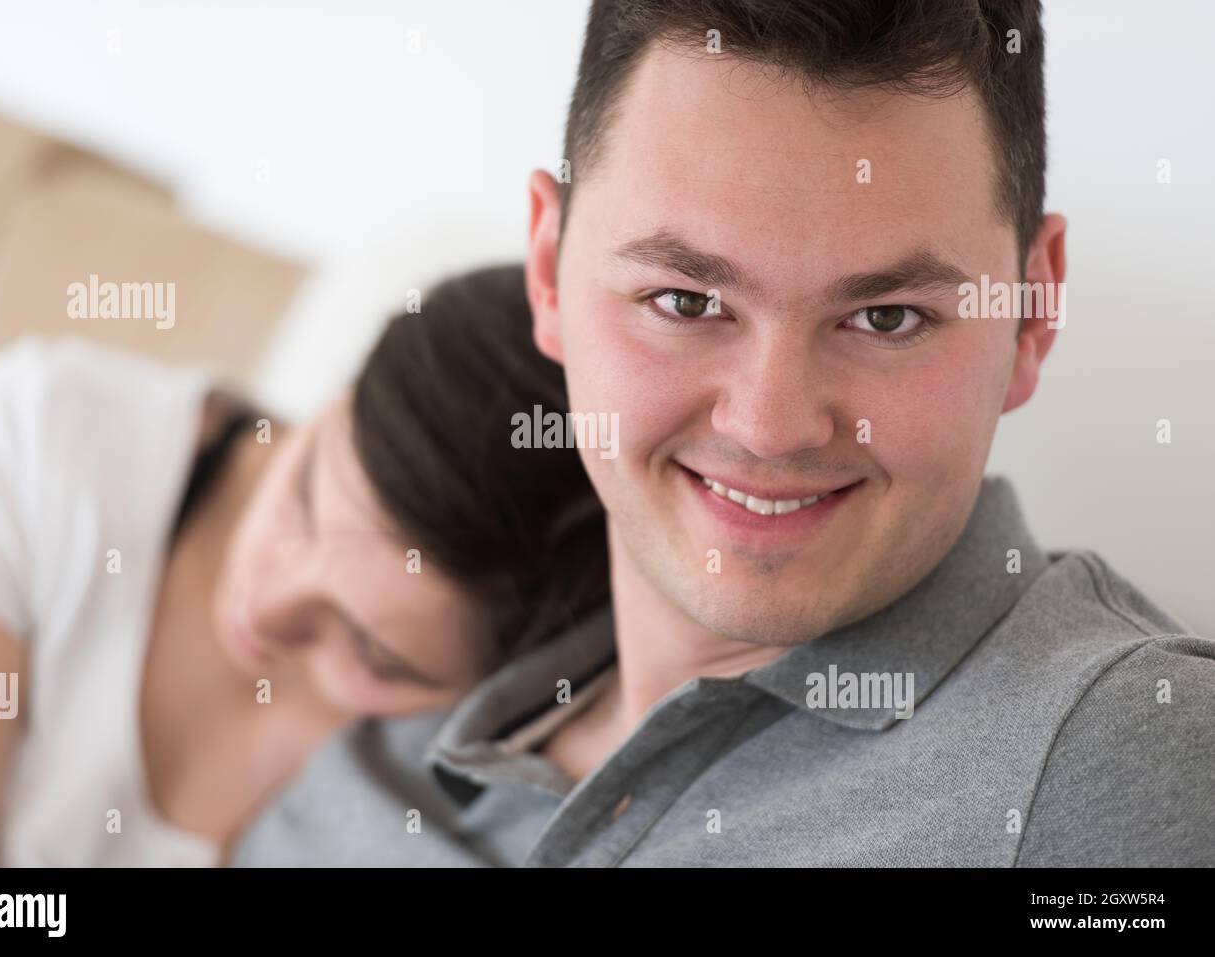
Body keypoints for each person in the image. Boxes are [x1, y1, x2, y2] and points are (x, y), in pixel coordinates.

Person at [234, 0, 1215, 867]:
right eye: (683, 299)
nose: (769, 425)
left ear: (1032, 311)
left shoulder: (1134, 760)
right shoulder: (376, 755)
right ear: (547, 271)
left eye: (887, 318)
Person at [0, 262, 607, 865]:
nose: (265, 607)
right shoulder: (41, 442)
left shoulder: (473, 791)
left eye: (372, 650)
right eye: (303, 495)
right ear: (342, 394)